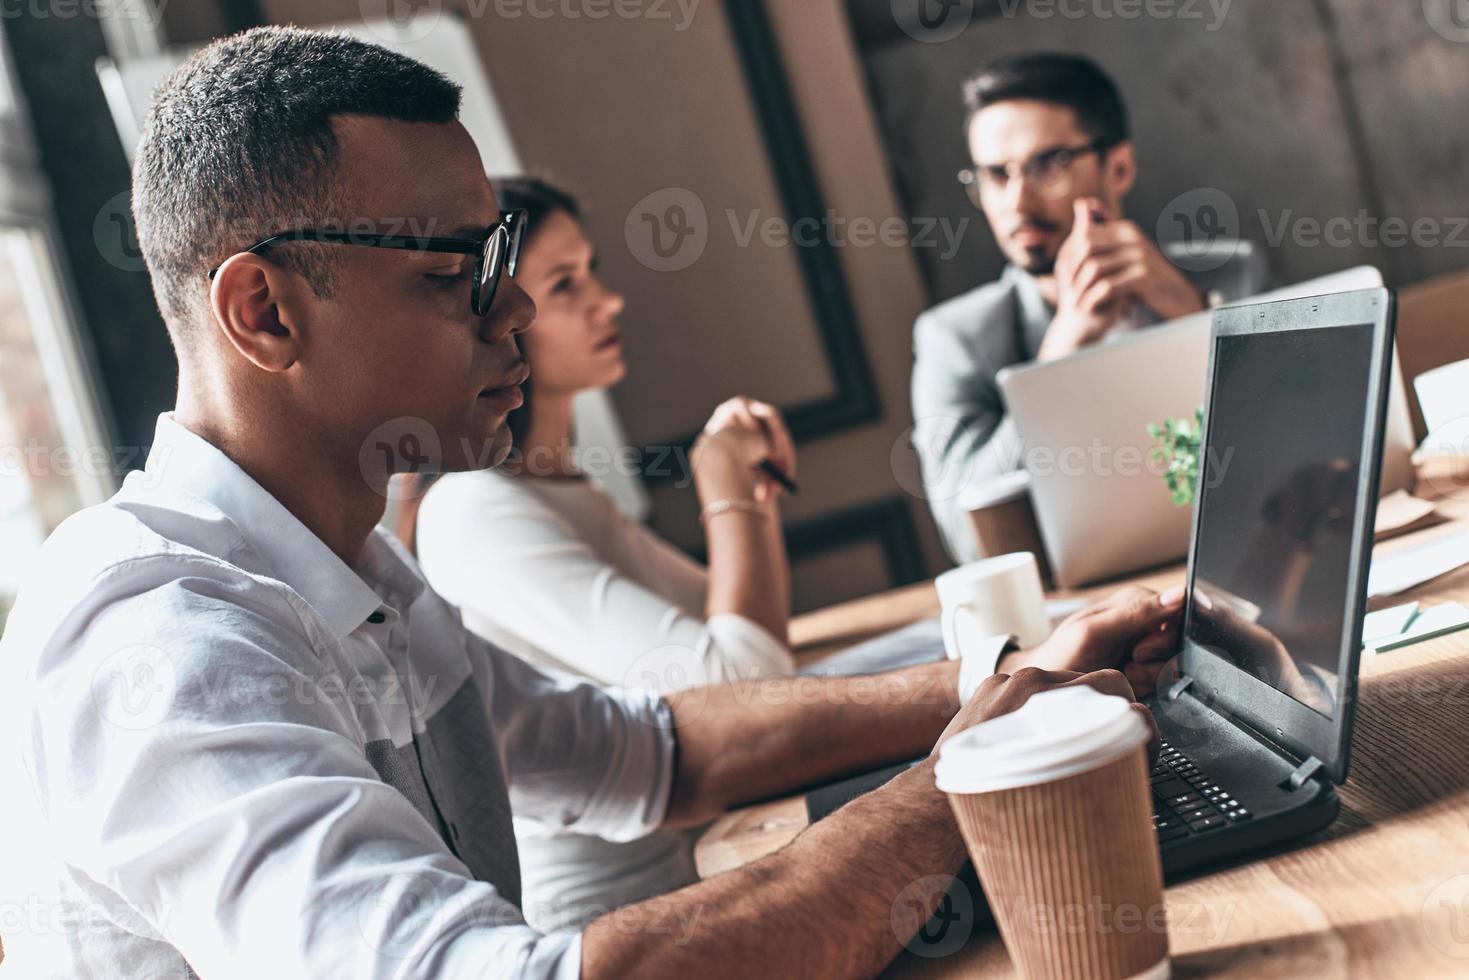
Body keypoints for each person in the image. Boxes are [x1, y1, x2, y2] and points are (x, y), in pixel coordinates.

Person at [0, 28, 1182, 978]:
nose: (511, 315)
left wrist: (1007, 681)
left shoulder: (362, 574)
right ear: (262, 313)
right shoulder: (157, 645)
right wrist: (966, 775)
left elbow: (650, 751)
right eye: (452, 275)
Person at [411, 177, 802, 929]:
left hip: (717, 863)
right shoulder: (477, 510)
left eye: (590, 272)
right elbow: (745, 688)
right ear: (499, 318)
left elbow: (750, 654)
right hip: (619, 922)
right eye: (565, 285)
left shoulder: (563, 492)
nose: (607, 301)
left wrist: (749, 496)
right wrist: (720, 490)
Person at [911, 53, 1262, 563]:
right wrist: (1054, 365)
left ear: (1118, 167)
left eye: (1047, 165)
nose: (1017, 201)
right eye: (995, 175)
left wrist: (1192, 318)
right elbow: (969, 538)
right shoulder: (954, 338)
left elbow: (1306, 445)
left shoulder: (1232, 276)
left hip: (1245, 560)